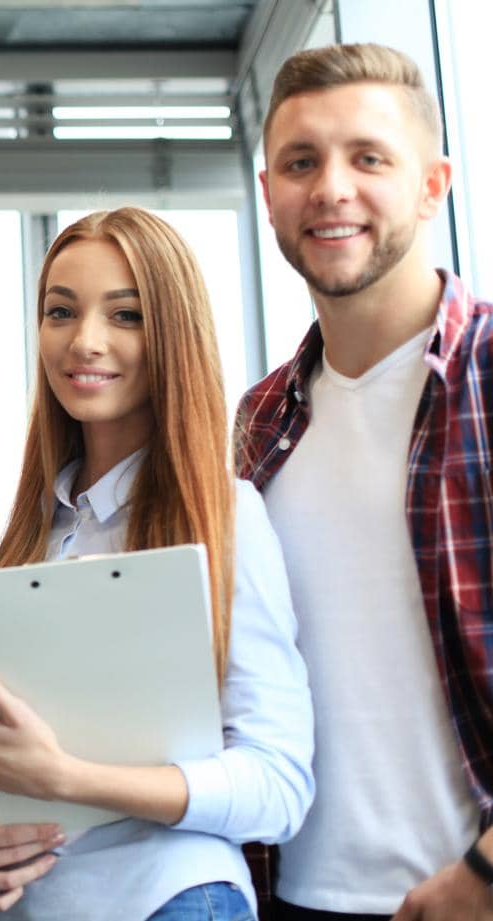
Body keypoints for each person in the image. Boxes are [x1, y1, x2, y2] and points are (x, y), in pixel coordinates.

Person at [0, 207, 315, 920]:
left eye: (126, 315)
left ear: (172, 333)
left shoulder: (224, 518)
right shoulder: (32, 536)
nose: (85, 341)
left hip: (170, 900)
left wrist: (72, 777)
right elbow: (8, 779)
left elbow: (279, 785)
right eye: (60, 311)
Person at [237, 43, 493, 921]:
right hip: (286, 893)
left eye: (368, 158)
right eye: (302, 162)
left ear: (433, 184)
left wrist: (488, 873)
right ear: (268, 192)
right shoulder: (253, 425)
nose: (331, 188)